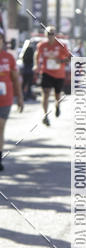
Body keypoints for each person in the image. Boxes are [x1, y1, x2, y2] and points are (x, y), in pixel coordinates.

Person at [35, 26, 71, 126]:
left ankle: (57, 106)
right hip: (46, 73)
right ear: (46, 35)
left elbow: (69, 58)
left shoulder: (62, 45)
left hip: (59, 74)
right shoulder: (42, 45)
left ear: (55, 35)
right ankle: (45, 115)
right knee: (45, 93)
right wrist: (36, 65)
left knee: (57, 95)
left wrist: (61, 61)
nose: (50, 36)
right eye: (48, 34)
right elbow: (37, 55)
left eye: (52, 34)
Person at [0, 32, 24, 171]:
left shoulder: (8, 58)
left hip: (5, 99)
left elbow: (15, 79)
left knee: (0, 126)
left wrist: (20, 98)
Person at [19, 36, 38, 100]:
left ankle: (26, 94)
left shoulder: (27, 50)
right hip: (28, 69)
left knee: (26, 83)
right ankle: (25, 94)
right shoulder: (29, 50)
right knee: (27, 83)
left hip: (27, 69)